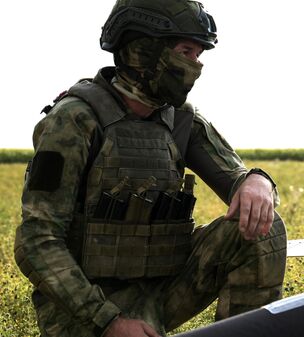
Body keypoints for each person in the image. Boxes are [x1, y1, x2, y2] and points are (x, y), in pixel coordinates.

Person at [14, 1, 287, 336]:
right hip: (86, 307)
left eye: (199, 54)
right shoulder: (75, 119)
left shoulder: (181, 118)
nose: (196, 64)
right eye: (186, 51)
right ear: (143, 49)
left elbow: (237, 178)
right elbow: (36, 239)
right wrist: (108, 321)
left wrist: (257, 181)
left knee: (263, 229)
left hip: (161, 289)